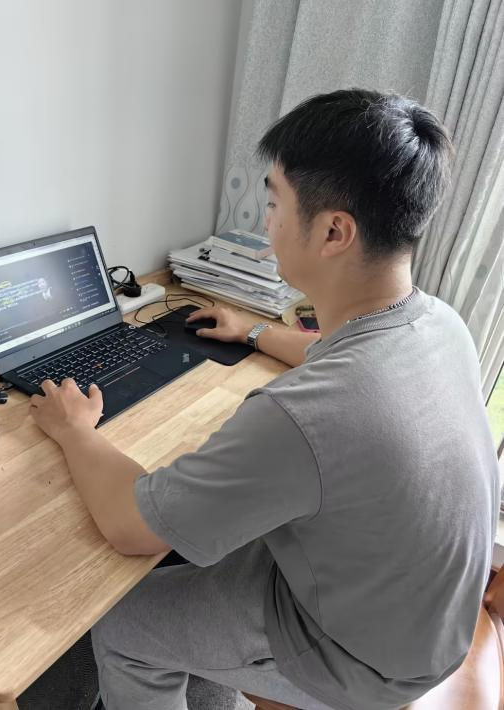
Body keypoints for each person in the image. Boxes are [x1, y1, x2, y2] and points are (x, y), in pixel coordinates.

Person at [29, 89, 499, 710]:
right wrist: (251, 331)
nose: (266, 223)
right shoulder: (438, 323)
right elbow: (338, 358)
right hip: (416, 610)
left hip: (364, 660)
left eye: (274, 202)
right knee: (216, 530)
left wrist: (75, 430)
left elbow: (129, 527)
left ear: (333, 231)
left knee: (123, 626)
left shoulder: (302, 417)